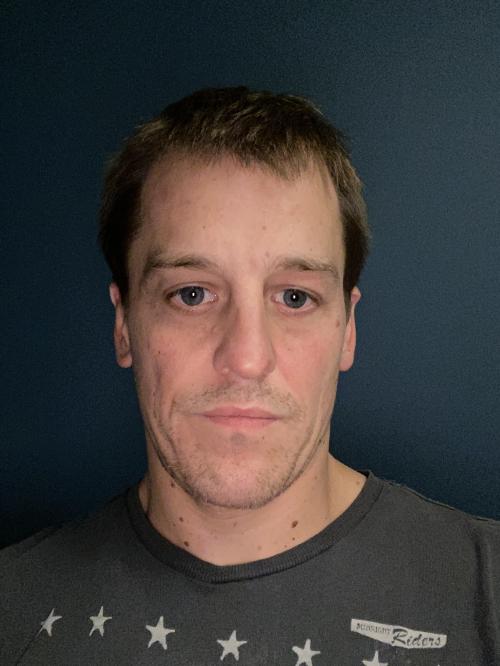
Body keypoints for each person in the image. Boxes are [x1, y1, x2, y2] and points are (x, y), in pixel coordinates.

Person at [1, 86, 499, 665]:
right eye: (191, 294)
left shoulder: (484, 594)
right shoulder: (14, 608)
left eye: (295, 297)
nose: (246, 358)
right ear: (123, 326)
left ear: (348, 330)